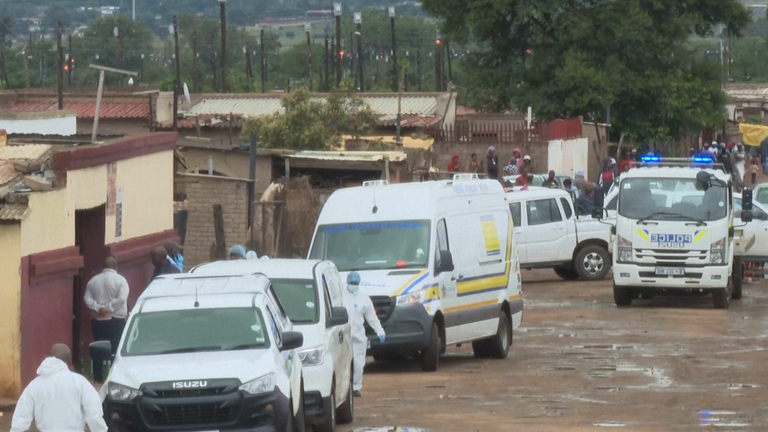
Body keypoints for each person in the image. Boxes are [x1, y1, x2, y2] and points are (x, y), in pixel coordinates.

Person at [11, 344, 108, 432]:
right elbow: (94, 415)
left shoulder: (34, 385)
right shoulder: (79, 382)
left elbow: (21, 418)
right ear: (69, 360)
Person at [84, 257, 128, 383]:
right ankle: (115, 378)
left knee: (99, 348)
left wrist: (98, 307)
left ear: (103, 266)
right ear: (116, 266)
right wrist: (109, 307)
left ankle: (98, 378)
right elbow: (121, 299)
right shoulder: (121, 280)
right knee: (116, 349)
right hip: (117, 320)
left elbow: (87, 298)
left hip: (98, 320)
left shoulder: (93, 281)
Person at [344, 271, 385, 397]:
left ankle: (356, 387)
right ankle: (344, 389)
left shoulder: (364, 299)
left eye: (356, 283)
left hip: (358, 337)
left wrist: (379, 331)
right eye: (352, 283)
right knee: (343, 364)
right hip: (343, 337)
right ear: (347, 283)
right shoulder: (340, 297)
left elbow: (372, 318)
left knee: (358, 364)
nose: (354, 285)